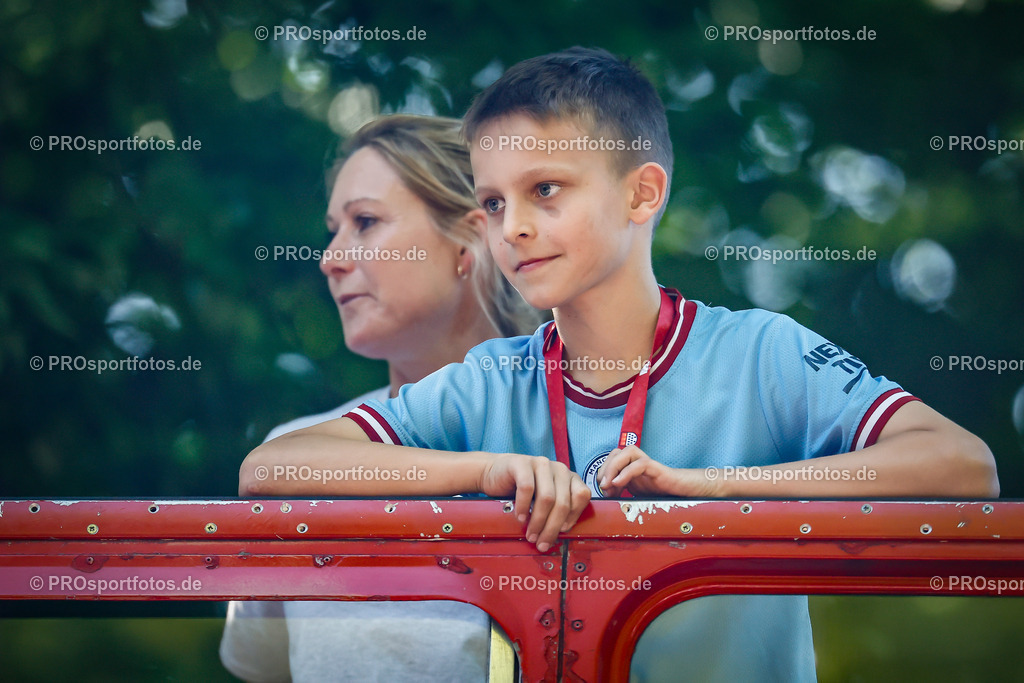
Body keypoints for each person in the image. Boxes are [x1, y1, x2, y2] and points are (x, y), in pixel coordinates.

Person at [239, 48, 999, 680]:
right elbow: (270, 470)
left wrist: (723, 488)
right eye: (496, 204)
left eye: (545, 191)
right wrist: (485, 469)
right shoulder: (488, 380)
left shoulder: (762, 351)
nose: (516, 228)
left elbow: (964, 466)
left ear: (643, 194)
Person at [220, 114, 539, 682]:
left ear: (469, 243)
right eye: (333, 229)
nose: (331, 257)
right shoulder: (293, 461)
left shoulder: (587, 436)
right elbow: (266, 668)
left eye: (365, 222)